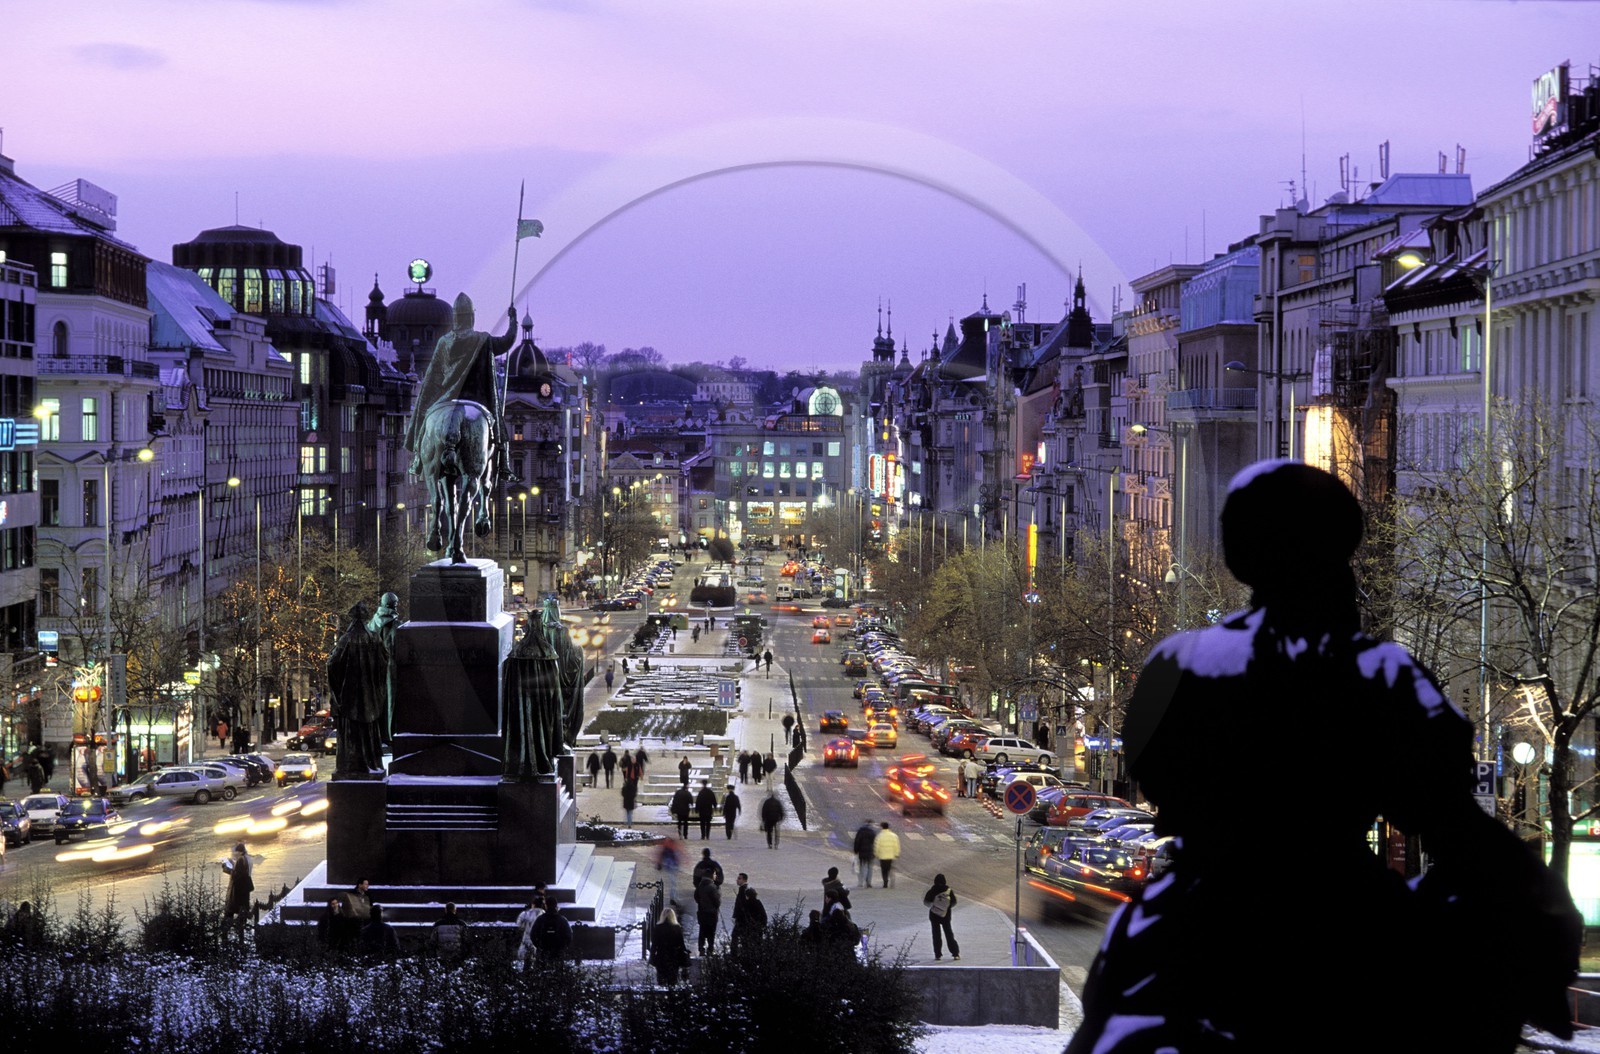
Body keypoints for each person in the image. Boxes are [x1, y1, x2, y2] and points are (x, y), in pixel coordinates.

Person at [1066, 460, 1582, 1054]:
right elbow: (1455, 825)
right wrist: (1529, 925)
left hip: (1198, 926)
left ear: (1238, 554)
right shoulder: (1381, 675)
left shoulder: (1179, 663)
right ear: (1341, 546)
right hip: (1346, 931)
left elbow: (1154, 775)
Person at [402, 293, 517, 485]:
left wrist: (427, 401)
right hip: (478, 399)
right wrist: (513, 320)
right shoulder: (483, 339)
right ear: (471, 316)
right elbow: (507, 341)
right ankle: (504, 464)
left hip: (448, 398)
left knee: (426, 420)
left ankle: (418, 460)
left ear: (455, 317)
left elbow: (433, 376)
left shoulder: (444, 342)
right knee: (498, 428)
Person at [326, 602, 388, 777]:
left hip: (350, 697)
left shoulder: (346, 639)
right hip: (370, 698)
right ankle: (371, 763)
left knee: (351, 734)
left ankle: (351, 766)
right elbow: (384, 664)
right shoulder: (375, 638)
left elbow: (332, 664)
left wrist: (338, 692)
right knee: (369, 732)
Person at [922, 873, 960, 961]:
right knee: (949, 934)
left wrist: (935, 906)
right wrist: (946, 908)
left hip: (934, 915)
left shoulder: (932, 890)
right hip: (945, 915)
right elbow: (954, 902)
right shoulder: (948, 891)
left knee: (936, 935)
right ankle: (955, 953)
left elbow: (926, 901)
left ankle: (937, 954)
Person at [650, 907, 689, 986]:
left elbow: (654, 945)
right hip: (674, 956)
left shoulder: (658, 928)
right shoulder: (677, 928)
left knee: (662, 979)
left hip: (661, 956)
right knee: (673, 979)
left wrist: (652, 957)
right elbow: (681, 944)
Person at [222, 841, 253, 939]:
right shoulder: (248, 858)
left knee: (229, 911)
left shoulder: (240, 860)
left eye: (235, 852)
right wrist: (232, 864)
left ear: (239, 852)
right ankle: (240, 932)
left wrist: (226, 868)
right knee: (242, 911)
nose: (234, 854)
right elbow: (242, 872)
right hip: (244, 890)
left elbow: (236, 875)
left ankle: (226, 934)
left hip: (237, 891)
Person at [694, 874, 721, 955]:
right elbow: (717, 901)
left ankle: (701, 949)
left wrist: (701, 904)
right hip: (711, 913)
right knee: (711, 932)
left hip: (702, 912)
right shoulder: (713, 887)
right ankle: (710, 949)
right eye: (714, 874)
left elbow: (696, 897)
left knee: (702, 931)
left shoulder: (700, 886)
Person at [514, 895, 544, 968]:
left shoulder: (526, 913)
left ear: (533, 904)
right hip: (539, 939)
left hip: (527, 937)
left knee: (526, 959)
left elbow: (519, 924)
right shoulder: (544, 914)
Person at [873, 821, 900, 888]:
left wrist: (876, 854)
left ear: (882, 827)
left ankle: (885, 882)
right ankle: (892, 880)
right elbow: (896, 845)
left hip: (882, 856)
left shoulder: (879, 836)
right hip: (891, 855)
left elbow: (877, 846)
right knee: (890, 868)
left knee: (884, 870)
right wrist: (897, 853)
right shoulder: (894, 836)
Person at [853, 821, 878, 888]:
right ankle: (868, 882)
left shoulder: (860, 832)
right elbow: (875, 842)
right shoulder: (872, 832)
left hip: (862, 852)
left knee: (862, 867)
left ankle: (861, 882)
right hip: (870, 852)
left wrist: (856, 850)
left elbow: (857, 842)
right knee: (870, 867)